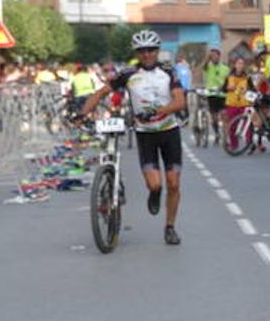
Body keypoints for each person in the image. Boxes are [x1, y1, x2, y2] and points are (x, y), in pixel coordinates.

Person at [77, 29, 188, 245]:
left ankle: (170, 227)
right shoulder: (128, 73)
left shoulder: (169, 71)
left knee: (173, 183)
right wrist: (82, 113)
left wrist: (159, 111)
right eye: (142, 51)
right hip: (145, 134)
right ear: (137, 53)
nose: (146, 54)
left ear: (157, 51)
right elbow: (101, 93)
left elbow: (180, 101)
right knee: (155, 185)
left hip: (169, 132)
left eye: (150, 50)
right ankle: (155, 193)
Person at [201, 47, 229, 140]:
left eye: (215, 56)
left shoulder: (225, 68)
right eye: (212, 56)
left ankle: (226, 136)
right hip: (211, 95)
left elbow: (228, 80)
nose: (214, 57)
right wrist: (207, 58)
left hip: (222, 95)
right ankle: (217, 133)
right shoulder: (208, 66)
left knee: (224, 115)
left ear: (219, 56)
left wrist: (224, 87)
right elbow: (203, 67)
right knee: (214, 118)